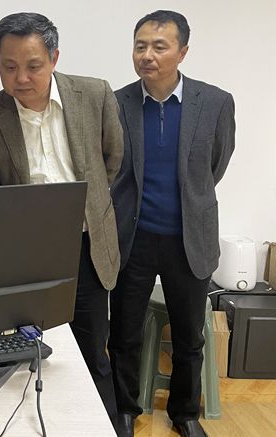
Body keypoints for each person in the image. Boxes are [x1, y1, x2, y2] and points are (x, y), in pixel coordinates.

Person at [0, 12, 123, 428]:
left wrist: (88, 208)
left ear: (54, 58)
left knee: (93, 351)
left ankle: (103, 427)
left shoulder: (94, 94)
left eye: (33, 65)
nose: (21, 78)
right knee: (30, 355)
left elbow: (112, 160)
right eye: (9, 66)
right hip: (26, 260)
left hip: (87, 248)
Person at [108, 10, 235, 437]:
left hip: (188, 238)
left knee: (189, 337)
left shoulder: (215, 102)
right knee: (124, 333)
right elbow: (112, 168)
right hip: (134, 237)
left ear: (182, 51)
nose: (147, 55)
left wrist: (189, 203)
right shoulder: (117, 102)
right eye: (140, 46)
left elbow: (216, 165)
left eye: (159, 46)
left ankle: (184, 413)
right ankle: (124, 409)